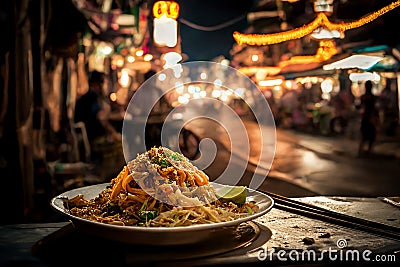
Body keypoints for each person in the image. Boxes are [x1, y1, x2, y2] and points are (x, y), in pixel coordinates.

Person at [358, 80, 379, 156]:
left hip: (366, 118)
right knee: (371, 136)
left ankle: (361, 151)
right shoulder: (373, 97)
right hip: (371, 118)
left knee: (364, 136)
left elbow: (360, 107)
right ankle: (368, 151)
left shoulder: (364, 97)